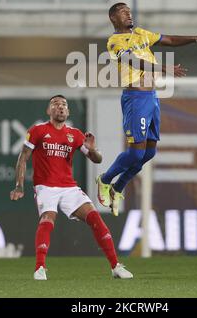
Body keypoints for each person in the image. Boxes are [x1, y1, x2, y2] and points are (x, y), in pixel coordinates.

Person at [97, 2, 197, 216]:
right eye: (123, 12)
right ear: (113, 18)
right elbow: (131, 61)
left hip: (151, 97)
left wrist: (194, 38)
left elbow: (168, 39)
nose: (128, 14)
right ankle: (105, 180)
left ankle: (117, 187)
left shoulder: (141, 34)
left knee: (149, 152)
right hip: (135, 97)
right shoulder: (114, 42)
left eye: (129, 11)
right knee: (135, 153)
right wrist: (162, 68)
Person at [10, 94, 133, 280]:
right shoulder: (38, 130)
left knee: (95, 218)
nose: (60, 107)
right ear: (48, 110)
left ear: (68, 111)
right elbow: (23, 157)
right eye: (55, 104)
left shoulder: (75, 134)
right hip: (46, 187)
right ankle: (40, 268)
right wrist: (19, 186)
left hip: (69, 187)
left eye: (64, 105)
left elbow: (97, 159)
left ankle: (115, 266)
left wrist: (92, 149)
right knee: (47, 220)